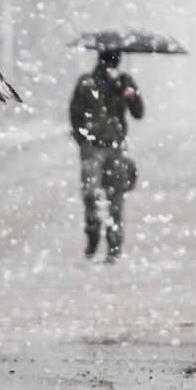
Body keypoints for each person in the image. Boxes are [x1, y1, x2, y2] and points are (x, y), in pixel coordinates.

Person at [68, 49, 144, 262]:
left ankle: (114, 242)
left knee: (115, 196)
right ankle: (94, 233)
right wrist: (82, 137)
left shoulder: (124, 82)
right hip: (92, 148)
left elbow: (138, 112)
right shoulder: (87, 83)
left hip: (115, 147)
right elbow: (75, 112)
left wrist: (131, 95)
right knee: (91, 195)